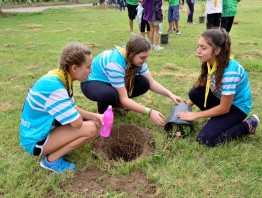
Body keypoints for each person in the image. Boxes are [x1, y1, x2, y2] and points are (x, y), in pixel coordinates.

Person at [20, 44, 103, 173]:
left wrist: (96, 116)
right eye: (88, 66)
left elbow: (72, 108)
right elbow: (77, 123)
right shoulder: (55, 88)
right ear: (75, 68)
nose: (91, 70)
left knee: (90, 122)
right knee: (91, 128)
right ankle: (51, 160)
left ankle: (58, 146)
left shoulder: (60, 76)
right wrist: (88, 120)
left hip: (38, 132)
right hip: (34, 141)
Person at [178, 28, 259, 147]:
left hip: (236, 108)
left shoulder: (231, 73)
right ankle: (218, 122)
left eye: (203, 48)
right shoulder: (210, 61)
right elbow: (203, 84)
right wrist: (186, 105)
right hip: (222, 101)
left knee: (205, 139)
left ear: (217, 50)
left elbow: (224, 108)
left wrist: (195, 115)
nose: (198, 51)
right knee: (194, 93)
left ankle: (248, 125)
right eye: (198, 46)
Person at [81, 35, 182, 126]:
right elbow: (124, 98)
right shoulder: (115, 63)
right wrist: (149, 112)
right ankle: (100, 115)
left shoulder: (136, 59)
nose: (145, 60)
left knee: (144, 83)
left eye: (147, 57)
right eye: (142, 57)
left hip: (111, 82)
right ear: (131, 54)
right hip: (92, 83)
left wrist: (170, 94)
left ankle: (116, 104)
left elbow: (151, 83)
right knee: (109, 95)